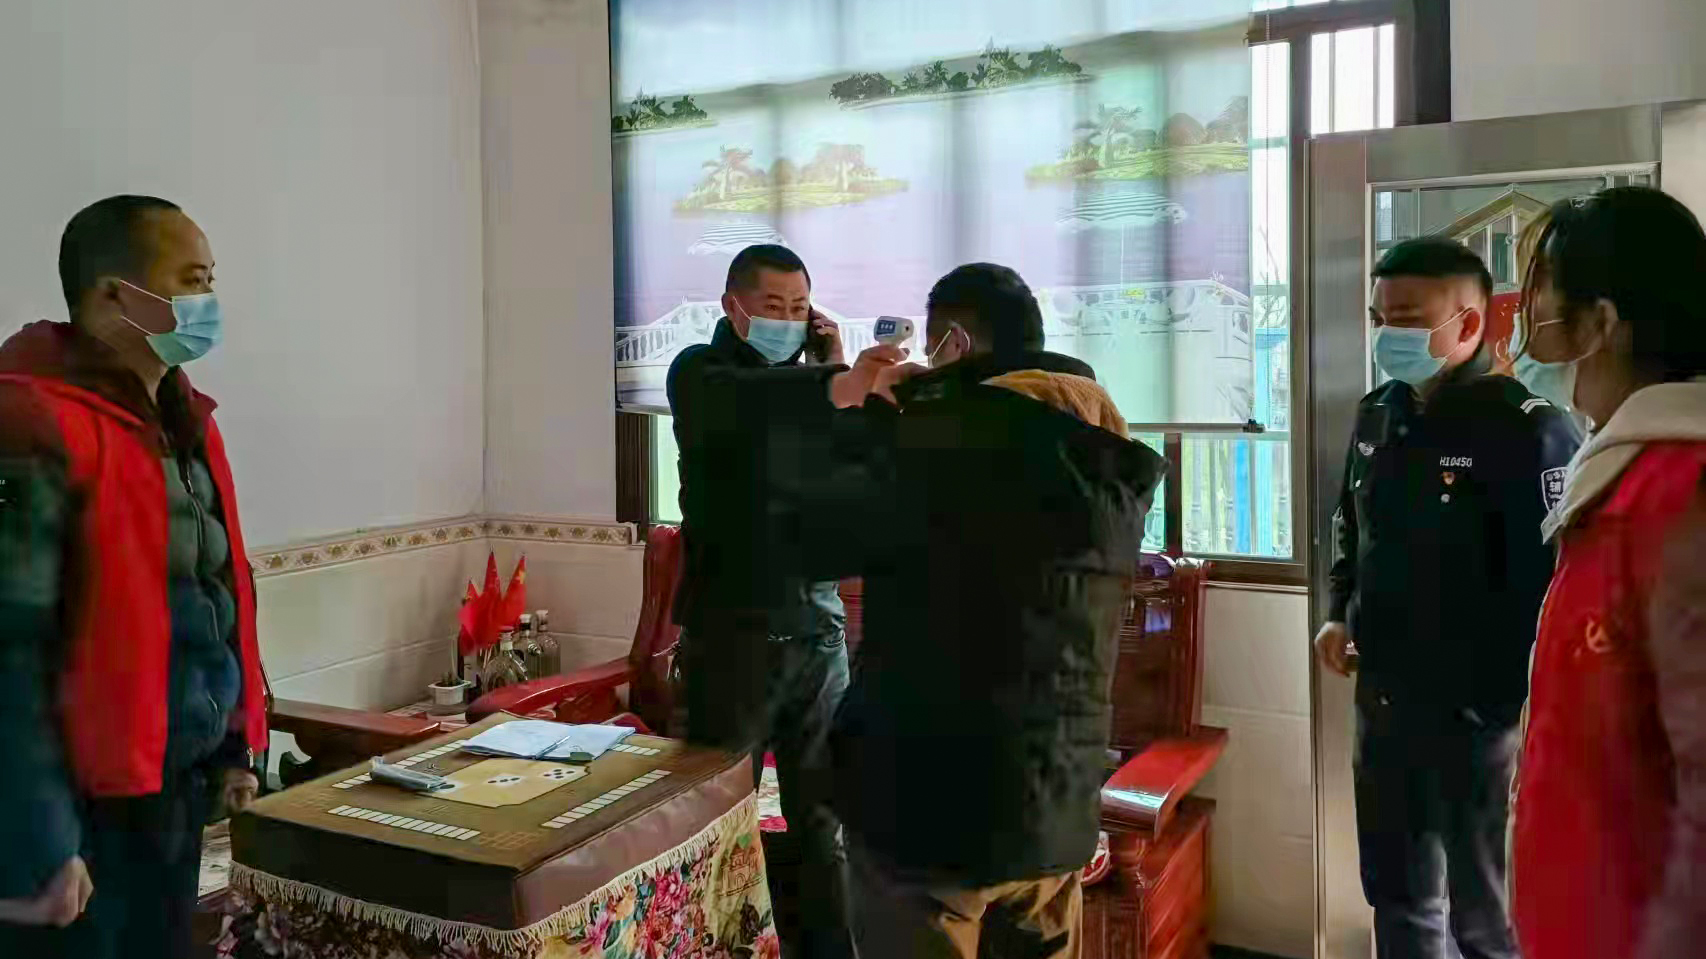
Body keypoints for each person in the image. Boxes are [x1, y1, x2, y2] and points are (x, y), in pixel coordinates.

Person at [824, 263, 1162, 958]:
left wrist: (868, 407)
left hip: (927, 805)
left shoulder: (944, 436)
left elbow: (819, 534)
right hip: (1055, 801)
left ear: (954, 341)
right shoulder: (1102, 452)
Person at [0, 195, 269, 958]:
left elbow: (217, 591)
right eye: (191, 280)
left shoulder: (187, 420)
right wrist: (37, 839)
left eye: (211, 279)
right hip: (79, 810)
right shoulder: (29, 420)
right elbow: (11, 648)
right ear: (114, 294)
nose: (208, 301)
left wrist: (233, 744)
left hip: (171, 787)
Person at [1313, 237, 1580, 959]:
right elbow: (1351, 523)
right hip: (1386, 703)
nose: (1387, 335)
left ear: (1469, 323)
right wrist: (1338, 612)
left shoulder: (1529, 428)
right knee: (1398, 897)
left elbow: (1555, 585)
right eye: (1379, 318)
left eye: (1406, 318)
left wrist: (1515, 708)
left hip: (1481, 722)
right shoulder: (1379, 413)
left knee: (1487, 917)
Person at [665, 243, 899, 959]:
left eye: (800, 308)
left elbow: (859, 462)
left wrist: (841, 371)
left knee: (824, 822)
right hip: (731, 640)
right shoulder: (700, 374)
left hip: (818, 634)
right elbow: (755, 406)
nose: (788, 320)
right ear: (732, 307)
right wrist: (834, 380)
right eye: (774, 307)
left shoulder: (815, 384)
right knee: (715, 822)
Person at [1504, 187, 1706, 959]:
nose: (1527, 326)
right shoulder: (1620, 480)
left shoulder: (1680, 495)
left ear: (1600, 323)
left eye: (1543, 302)